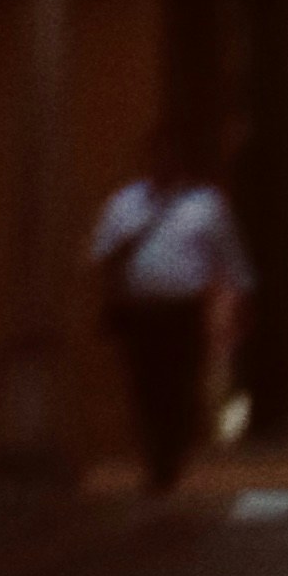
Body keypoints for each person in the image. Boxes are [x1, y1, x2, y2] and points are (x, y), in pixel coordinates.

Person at [89, 139, 251, 492]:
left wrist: (237, 308)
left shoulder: (205, 206)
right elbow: (104, 255)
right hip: (141, 310)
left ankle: (171, 454)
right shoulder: (124, 204)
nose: (163, 164)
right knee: (145, 386)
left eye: (170, 158)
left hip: (183, 311)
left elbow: (230, 259)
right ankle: (156, 458)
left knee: (179, 384)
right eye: (156, 157)